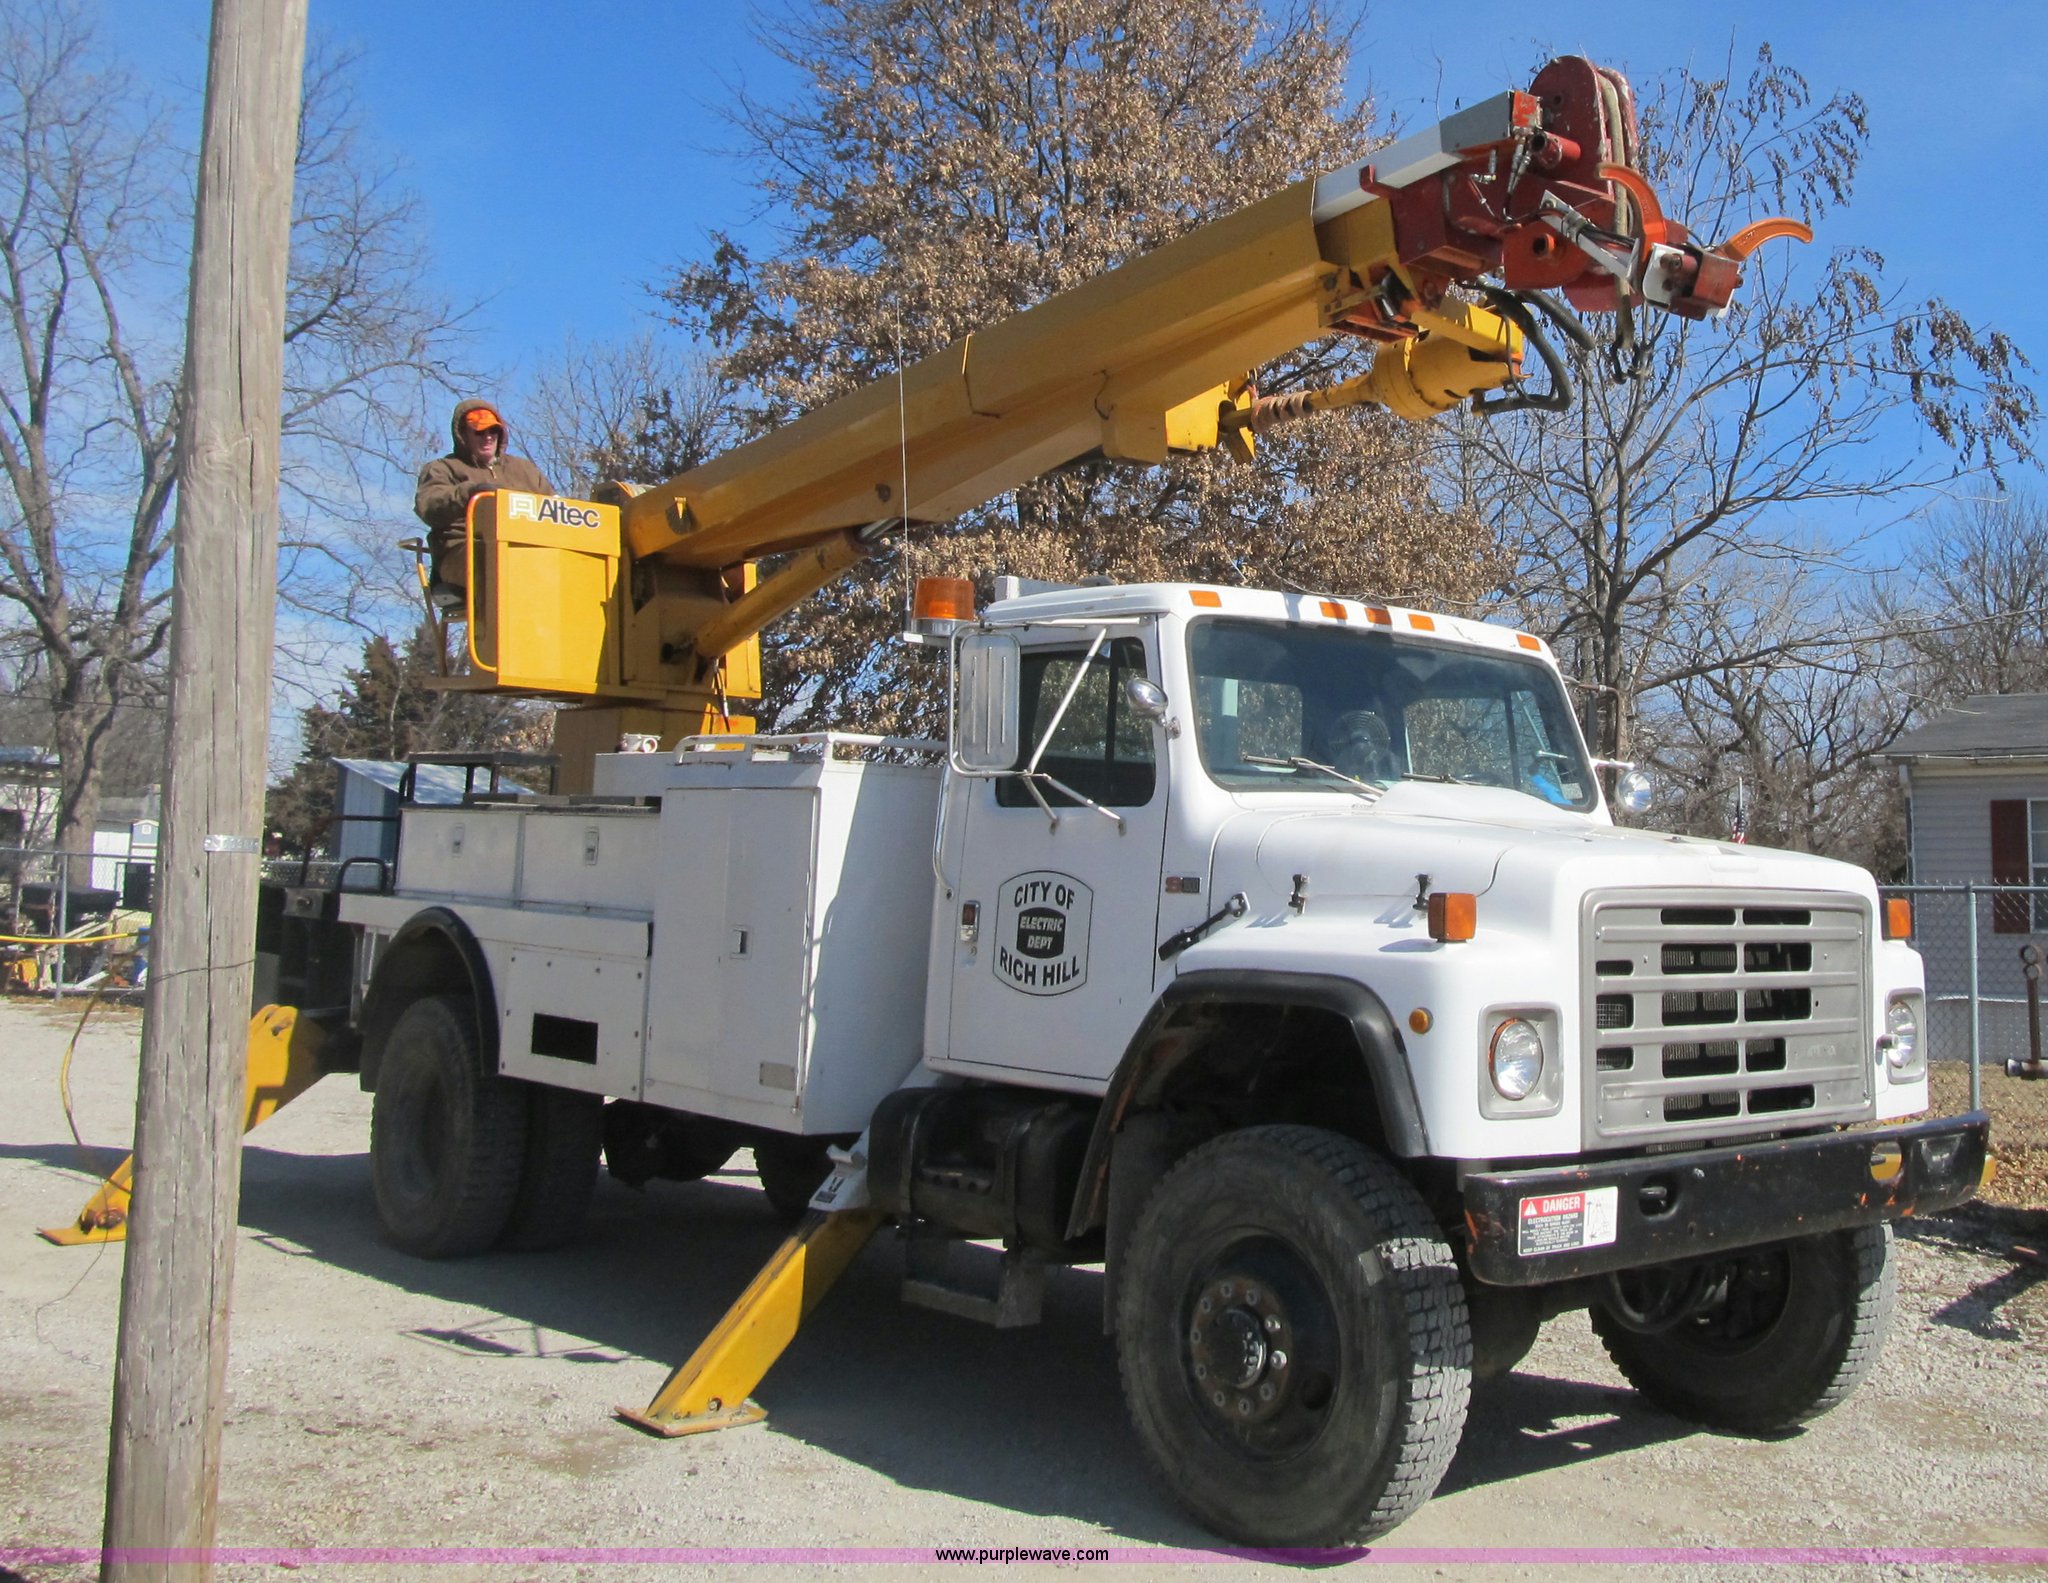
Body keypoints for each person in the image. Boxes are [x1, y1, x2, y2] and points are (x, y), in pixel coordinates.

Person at [413, 399, 554, 604]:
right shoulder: (443, 469)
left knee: (570, 565)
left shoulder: (525, 470)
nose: (488, 437)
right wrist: (470, 493)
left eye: (493, 431)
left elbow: (556, 510)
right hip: (464, 551)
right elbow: (429, 505)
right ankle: (502, 622)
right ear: (463, 434)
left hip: (526, 549)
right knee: (499, 561)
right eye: (479, 432)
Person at [1319, 707, 1397, 783]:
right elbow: (1339, 779)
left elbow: (1395, 780)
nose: (1361, 747)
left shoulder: (1387, 759)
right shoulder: (1343, 759)